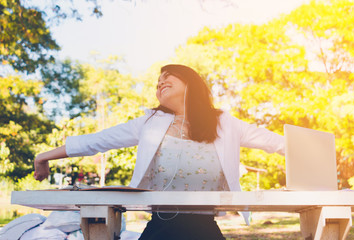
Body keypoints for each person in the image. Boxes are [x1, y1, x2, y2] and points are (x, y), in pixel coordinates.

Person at [34, 64, 285, 240]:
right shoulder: (149, 122)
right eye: (157, 82)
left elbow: (277, 143)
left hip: (205, 227)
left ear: (190, 82)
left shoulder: (226, 123)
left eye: (168, 76)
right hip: (161, 225)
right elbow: (98, 141)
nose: (160, 83)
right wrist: (44, 156)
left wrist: (322, 153)